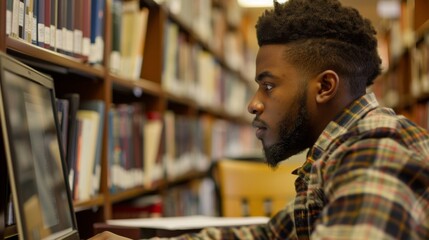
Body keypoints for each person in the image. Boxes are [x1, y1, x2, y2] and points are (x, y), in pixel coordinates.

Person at [90, 0, 429, 239]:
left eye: (268, 86)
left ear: (325, 86)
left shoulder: (376, 149)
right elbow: (269, 234)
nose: (253, 105)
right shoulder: (339, 148)